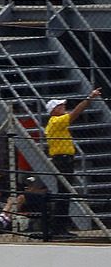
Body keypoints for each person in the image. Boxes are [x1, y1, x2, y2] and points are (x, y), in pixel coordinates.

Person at [44, 88, 102, 235]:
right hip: (62, 159)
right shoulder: (56, 121)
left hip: (63, 159)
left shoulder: (55, 122)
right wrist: (89, 98)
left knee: (64, 193)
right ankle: (58, 227)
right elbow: (74, 114)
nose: (63, 107)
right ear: (53, 110)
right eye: (60, 106)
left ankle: (60, 227)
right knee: (64, 193)